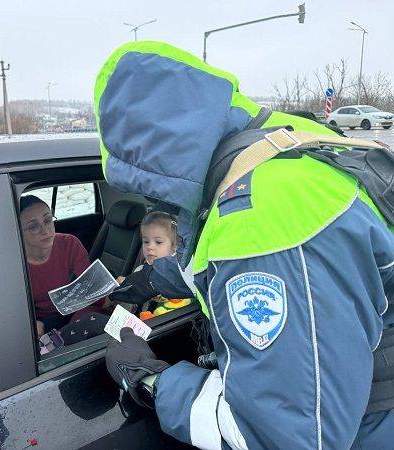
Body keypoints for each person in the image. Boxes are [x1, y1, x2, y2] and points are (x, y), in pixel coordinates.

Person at [95, 41, 394, 449]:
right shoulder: (283, 146)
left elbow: (282, 437)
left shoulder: (258, 218)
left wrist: (150, 380)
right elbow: (218, 254)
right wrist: (151, 279)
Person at [19, 195, 107, 338]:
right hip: (39, 323)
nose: (45, 231)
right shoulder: (14, 260)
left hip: (73, 312)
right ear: (18, 232)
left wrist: (112, 293)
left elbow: (90, 287)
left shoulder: (69, 243)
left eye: (48, 220)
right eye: (33, 226)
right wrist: (30, 323)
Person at [119, 211, 191, 320]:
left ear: (175, 246)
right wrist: (124, 290)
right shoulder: (140, 270)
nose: (150, 247)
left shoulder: (179, 275)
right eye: (146, 242)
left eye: (158, 242)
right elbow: (128, 309)